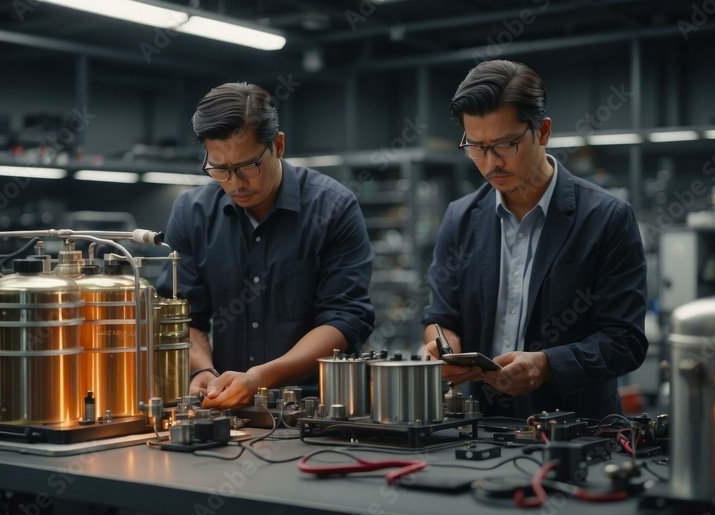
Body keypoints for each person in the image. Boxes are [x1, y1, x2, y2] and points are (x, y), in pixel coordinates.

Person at [421, 60, 648, 420]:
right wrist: (439, 346)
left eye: (504, 145)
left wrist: (547, 365)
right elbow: (441, 315)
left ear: (542, 132)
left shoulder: (606, 218)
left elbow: (625, 341)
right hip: (482, 424)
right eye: (476, 147)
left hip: (577, 429)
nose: (490, 163)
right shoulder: (460, 219)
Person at [155, 82, 375, 410]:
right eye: (220, 168)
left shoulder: (333, 208)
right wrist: (201, 368)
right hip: (230, 411)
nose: (235, 183)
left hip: (320, 410)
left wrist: (262, 377)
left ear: (279, 145)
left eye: (247, 167)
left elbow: (345, 317)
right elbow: (183, 315)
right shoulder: (192, 213)